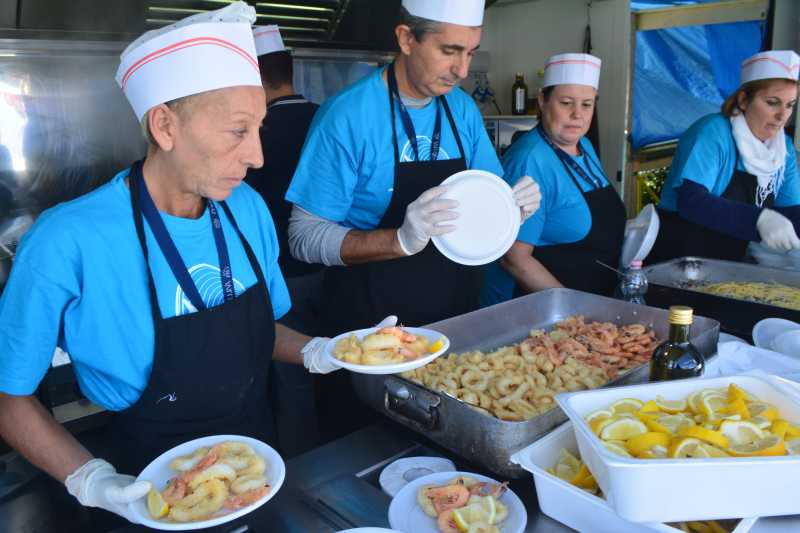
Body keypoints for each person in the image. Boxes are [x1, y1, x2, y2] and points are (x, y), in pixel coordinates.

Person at [0, 3, 347, 528]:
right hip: (140, 484)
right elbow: (11, 397)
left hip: (256, 467)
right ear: (164, 125)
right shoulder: (67, 240)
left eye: (259, 128)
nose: (257, 155)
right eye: (237, 131)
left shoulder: (246, 208)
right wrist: (90, 478)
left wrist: (323, 351)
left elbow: (261, 330)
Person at [285, 0, 540, 335]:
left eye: (470, 53)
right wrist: (399, 241)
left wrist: (510, 209)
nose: (462, 70)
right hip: (372, 327)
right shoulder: (348, 116)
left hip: (457, 316)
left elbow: (483, 207)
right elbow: (303, 237)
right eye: (450, 51)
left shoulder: (462, 108)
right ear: (406, 39)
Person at [481, 53, 626, 307]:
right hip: (542, 310)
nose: (577, 115)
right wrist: (572, 311)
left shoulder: (585, 146)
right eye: (566, 102)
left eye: (587, 104)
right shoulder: (530, 160)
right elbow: (514, 259)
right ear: (542, 101)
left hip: (595, 299)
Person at [245, 25, 322, 458]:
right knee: (333, 364)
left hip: (280, 279)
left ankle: (300, 464)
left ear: (255, 79)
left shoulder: (255, 132)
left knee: (293, 379)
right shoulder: (326, 118)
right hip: (337, 268)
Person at [650, 50, 800, 263]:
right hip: (682, 256)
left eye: (790, 105)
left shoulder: (783, 148)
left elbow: (791, 212)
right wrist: (759, 218)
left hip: (730, 262)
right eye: (772, 102)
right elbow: (691, 201)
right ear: (744, 100)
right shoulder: (713, 132)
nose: (782, 115)